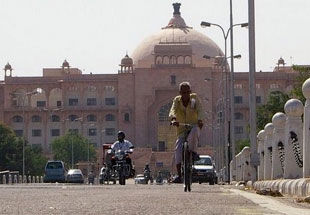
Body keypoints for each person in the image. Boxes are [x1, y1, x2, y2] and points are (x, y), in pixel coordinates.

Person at [169, 81, 204, 183]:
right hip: (181, 128)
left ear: (190, 92)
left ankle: (193, 152)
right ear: (180, 92)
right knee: (178, 150)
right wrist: (173, 119)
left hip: (193, 125)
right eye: (183, 92)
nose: (185, 95)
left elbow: (200, 109)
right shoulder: (177, 100)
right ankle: (180, 175)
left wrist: (200, 120)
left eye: (187, 92)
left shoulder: (194, 99)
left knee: (194, 131)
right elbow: (173, 110)